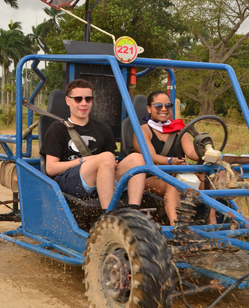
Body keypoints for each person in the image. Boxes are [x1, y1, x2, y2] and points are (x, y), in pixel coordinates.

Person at [40, 79, 145, 211]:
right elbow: (50, 168)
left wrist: (108, 162)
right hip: (69, 182)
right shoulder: (57, 128)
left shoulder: (104, 129)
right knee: (106, 157)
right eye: (78, 99)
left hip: (102, 180)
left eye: (88, 99)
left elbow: (109, 162)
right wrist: (86, 160)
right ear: (68, 101)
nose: (84, 103)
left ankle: (134, 212)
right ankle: (107, 216)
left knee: (137, 158)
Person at [133, 91, 216, 225]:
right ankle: (177, 227)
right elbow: (151, 157)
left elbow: (191, 153)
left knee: (208, 181)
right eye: (158, 106)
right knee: (173, 184)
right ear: (149, 108)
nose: (164, 109)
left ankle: (212, 223)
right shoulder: (143, 130)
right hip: (150, 177)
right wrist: (171, 161)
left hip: (178, 173)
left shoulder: (179, 129)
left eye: (168, 106)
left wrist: (207, 152)